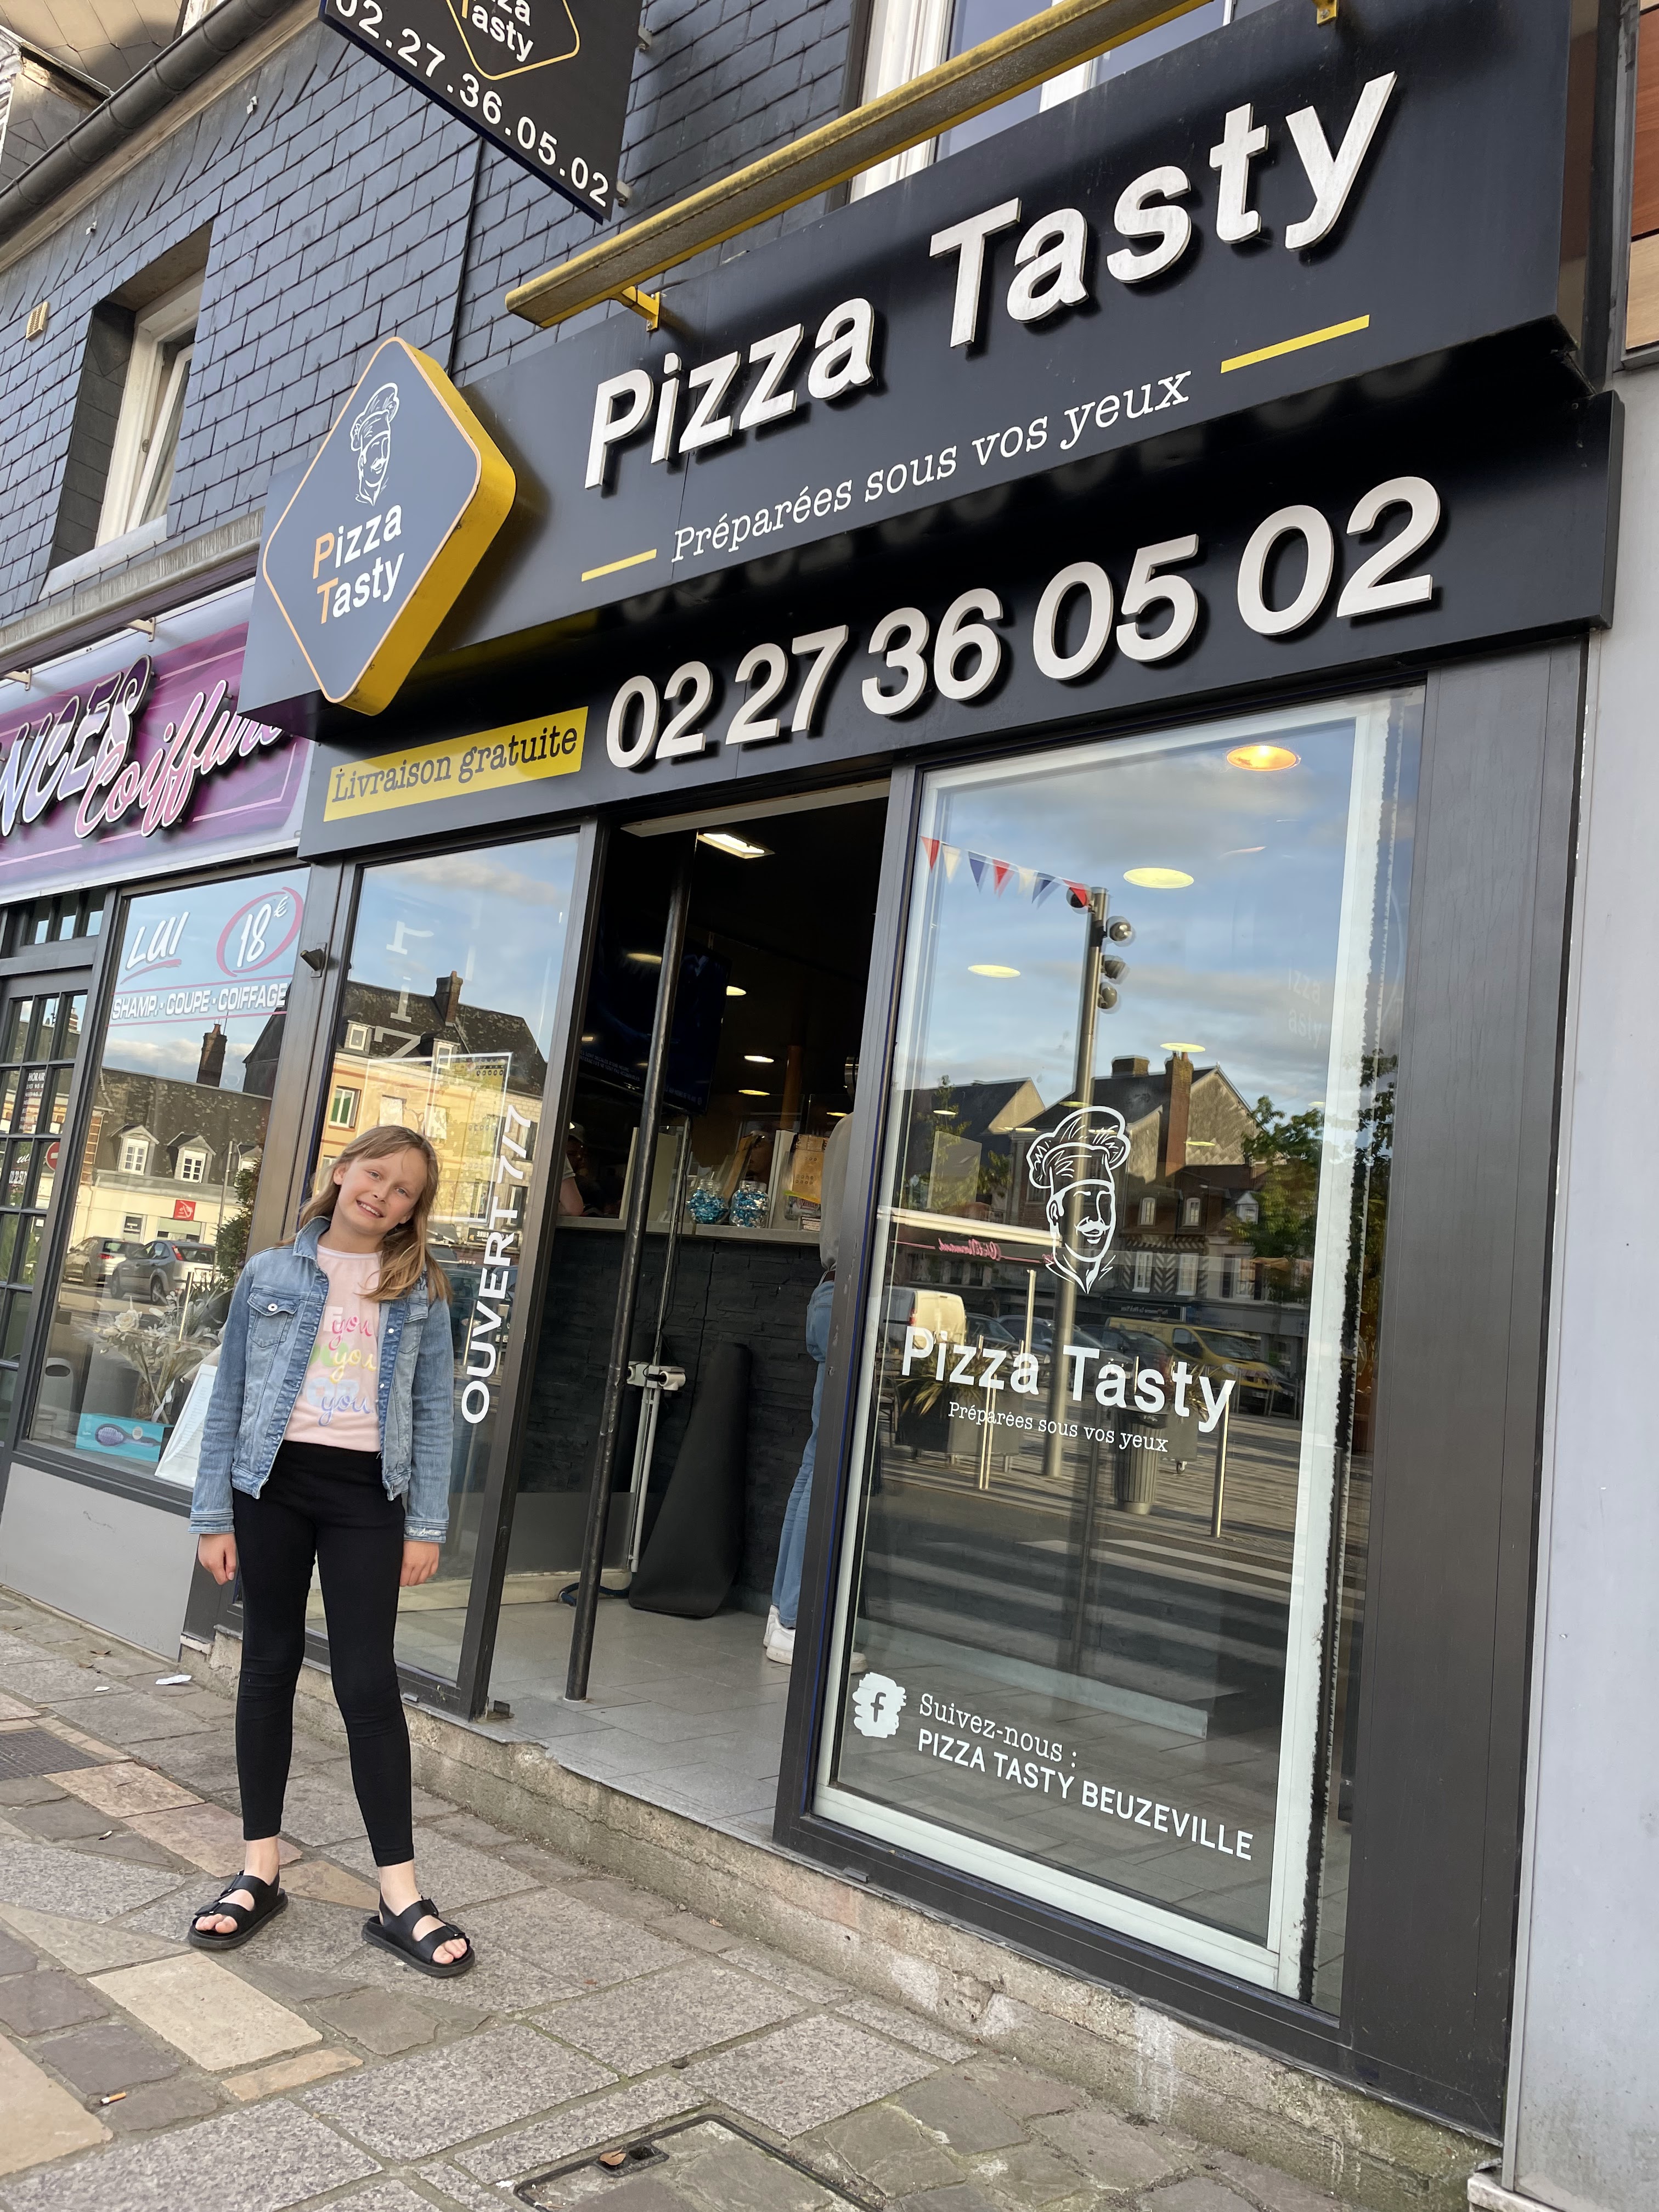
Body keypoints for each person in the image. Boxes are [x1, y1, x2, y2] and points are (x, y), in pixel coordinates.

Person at [187, 1125, 473, 1977]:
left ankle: (399, 1896)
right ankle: (259, 1872)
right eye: (374, 1173)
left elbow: (434, 1410)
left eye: (404, 1189)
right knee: (267, 1666)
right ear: (343, 1172)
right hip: (268, 1485)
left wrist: (426, 1525)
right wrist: (213, 1516)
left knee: (367, 1683)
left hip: (366, 1498)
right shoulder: (270, 1272)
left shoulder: (420, 1286)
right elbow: (230, 1394)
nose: (383, 1193)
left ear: (412, 1211)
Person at [765, 1107, 855, 1665]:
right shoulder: (882, 1124)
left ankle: (783, 1612)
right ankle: (795, 1620)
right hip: (851, 1296)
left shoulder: (847, 1126)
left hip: (831, 1290)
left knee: (814, 1464)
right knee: (825, 1467)